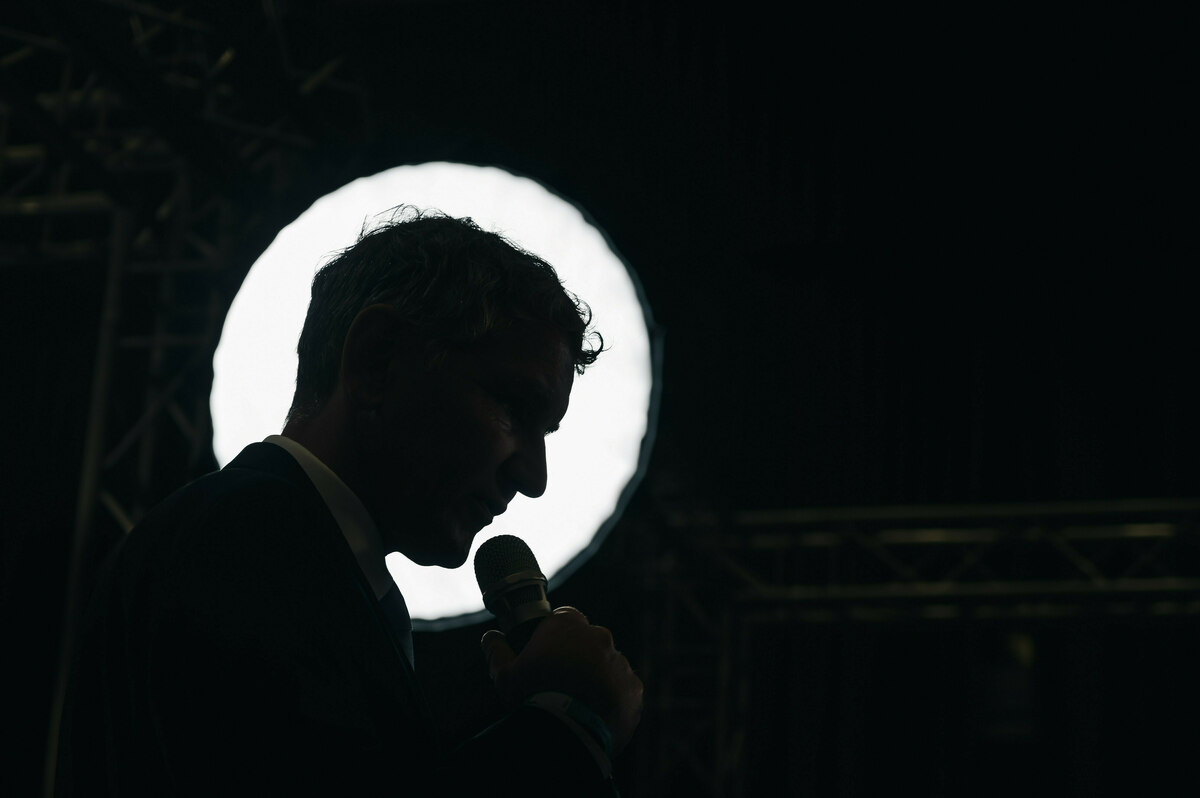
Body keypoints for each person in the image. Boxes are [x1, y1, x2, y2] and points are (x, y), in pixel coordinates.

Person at [54, 208, 643, 797]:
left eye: (546, 432)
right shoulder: (248, 549)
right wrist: (565, 730)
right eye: (513, 408)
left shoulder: (262, 546)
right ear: (376, 361)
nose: (534, 478)